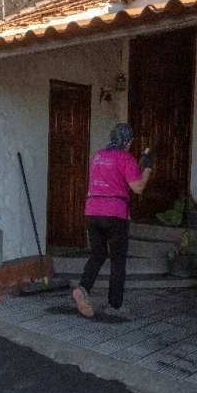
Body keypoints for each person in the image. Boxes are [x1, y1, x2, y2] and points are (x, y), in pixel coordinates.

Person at [72, 123, 152, 318]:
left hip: (92, 211)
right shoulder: (126, 157)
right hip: (115, 213)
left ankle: (82, 289)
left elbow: (107, 179)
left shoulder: (98, 156)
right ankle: (114, 305)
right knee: (118, 260)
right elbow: (138, 187)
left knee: (97, 254)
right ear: (129, 141)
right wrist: (148, 168)